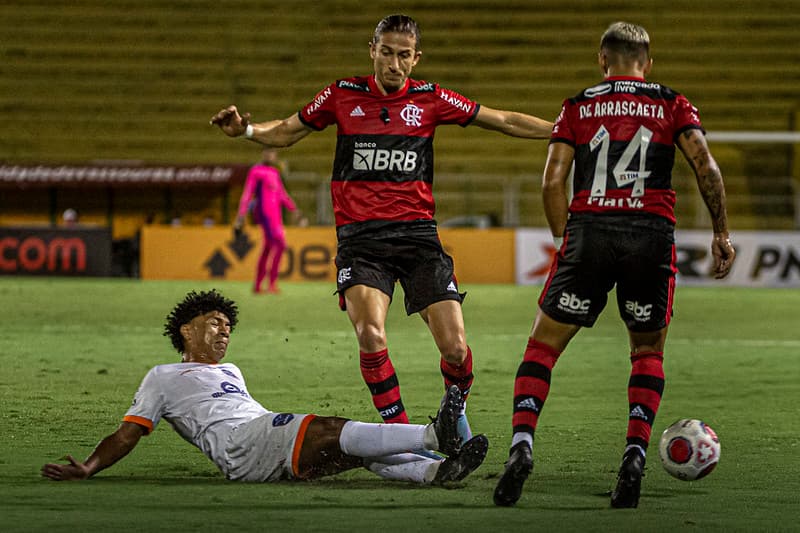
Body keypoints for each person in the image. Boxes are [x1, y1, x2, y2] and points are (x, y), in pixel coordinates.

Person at [210, 14, 553, 443]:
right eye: (386, 52)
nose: (393, 63)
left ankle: (454, 414)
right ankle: (404, 439)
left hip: (418, 239)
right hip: (362, 242)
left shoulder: (431, 99)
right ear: (373, 50)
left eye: (403, 55)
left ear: (416, 58)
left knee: (457, 349)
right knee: (371, 335)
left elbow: (501, 120)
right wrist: (245, 130)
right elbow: (285, 132)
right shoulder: (342, 95)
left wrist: (562, 130)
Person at [493, 22, 736, 508]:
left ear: (603, 60)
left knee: (542, 347)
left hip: (590, 232)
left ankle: (521, 446)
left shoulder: (578, 105)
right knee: (646, 351)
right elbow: (705, 165)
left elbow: (551, 180)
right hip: (649, 237)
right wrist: (720, 232)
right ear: (647, 62)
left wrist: (565, 239)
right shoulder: (671, 103)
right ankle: (634, 454)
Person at [41, 289, 489, 485]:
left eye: (228, 325)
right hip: (240, 449)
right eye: (214, 323)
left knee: (357, 452)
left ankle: (433, 472)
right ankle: (434, 436)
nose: (224, 331)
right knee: (330, 428)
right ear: (185, 331)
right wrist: (89, 467)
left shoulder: (231, 370)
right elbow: (128, 433)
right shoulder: (162, 377)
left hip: (258, 434)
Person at [235, 147, 300, 294]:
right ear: (263, 153)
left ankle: (258, 285)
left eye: (273, 152)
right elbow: (247, 193)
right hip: (265, 215)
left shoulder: (274, 172)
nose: (270, 155)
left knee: (269, 247)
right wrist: (241, 215)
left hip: (276, 216)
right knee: (280, 244)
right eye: (267, 152)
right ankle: (271, 284)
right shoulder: (256, 171)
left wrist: (294, 209)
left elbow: (281, 194)